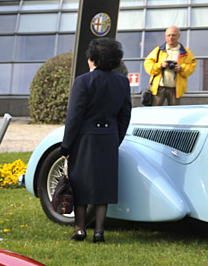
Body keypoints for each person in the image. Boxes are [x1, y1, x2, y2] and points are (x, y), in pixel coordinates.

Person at [61, 37, 131, 244]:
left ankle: (80, 229)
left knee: (80, 183)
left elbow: (74, 117)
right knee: (104, 185)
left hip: (85, 139)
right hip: (109, 137)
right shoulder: (122, 82)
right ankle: (99, 231)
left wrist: (66, 145)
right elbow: (124, 115)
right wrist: (116, 137)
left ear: (92, 59)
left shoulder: (83, 81)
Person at [143, 26, 197, 106]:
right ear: (165, 36)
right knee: (155, 112)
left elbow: (192, 66)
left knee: (175, 113)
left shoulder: (186, 52)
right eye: (168, 35)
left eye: (173, 35)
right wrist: (161, 65)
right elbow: (147, 64)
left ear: (178, 36)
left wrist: (181, 68)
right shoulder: (158, 50)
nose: (171, 37)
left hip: (176, 89)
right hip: (159, 88)